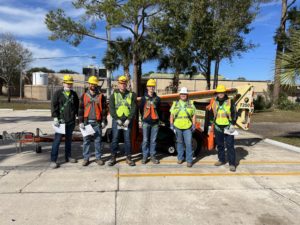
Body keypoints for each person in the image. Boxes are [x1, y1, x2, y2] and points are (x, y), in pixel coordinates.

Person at [50, 74, 79, 169]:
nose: (69, 85)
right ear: (63, 83)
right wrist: (55, 117)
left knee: (68, 141)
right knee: (57, 141)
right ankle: (53, 160)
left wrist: (78, 117)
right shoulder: (57, 93)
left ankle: (68, 157)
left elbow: (77, 106)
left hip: (71, 121)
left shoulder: (74, 94)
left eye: (70, 83)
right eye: (67, 83)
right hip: (60, 122)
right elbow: (54, 106)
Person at [78, 76, 107, 166]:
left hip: (97, 122)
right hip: (87, 122)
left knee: (98, 141)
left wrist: (104, 121)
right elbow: (80, 109)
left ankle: (98, 158)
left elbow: (104, 110)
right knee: (86, 141)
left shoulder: (101, 96)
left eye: (94, 84)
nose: (93, 85)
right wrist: (80, 122)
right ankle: (86, 158)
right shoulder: (84, 96)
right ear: (89, 84)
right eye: (91, 83)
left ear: (96, 85)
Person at [108, 75, 137, 166]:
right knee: (115, 139)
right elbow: (111, 108)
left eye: (124, 83)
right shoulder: (114, 95)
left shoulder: (131, 95)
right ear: (118, 84)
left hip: (127, 121)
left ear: (126, 84)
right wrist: (116, 119)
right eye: (121, 83)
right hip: (117, 121)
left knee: (127, 139)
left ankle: (128, 158)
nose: (123, 85)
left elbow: (133, 107)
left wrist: (129, 119)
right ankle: (113, 157)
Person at [208, 84, 237, 172]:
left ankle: (232, 164)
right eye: (219, 92)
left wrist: (233, 123)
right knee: (220, 145)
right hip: (218, 127)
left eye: (222, 92)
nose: (220, 94)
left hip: (228, 126)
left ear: (225, 93)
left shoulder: (230, 101)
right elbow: (211, 114)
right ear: (217, 93)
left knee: (230, 146)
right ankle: (221, 160)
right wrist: (211, 125)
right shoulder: (214, 102)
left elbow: (234, 113)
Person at [169, 87, 196, 167]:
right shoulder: (175, 103)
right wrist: (171, 124)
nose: (183, 95)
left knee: (188, 144)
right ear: (180, 95)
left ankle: (189, 160)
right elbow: (172, 114)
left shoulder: (191, 103)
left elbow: (194, 115)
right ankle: (180, 158)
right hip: (177, 126)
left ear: (187, 95)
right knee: (179, 143)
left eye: (185, 94)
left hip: (187, 127)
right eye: (182, 94)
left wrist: (194, 124)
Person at [140, 79, 161, 164]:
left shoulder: (158, 99)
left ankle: (153, 156)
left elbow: (159, 110)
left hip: (155, 123)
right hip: (146, 122)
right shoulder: (143, 98)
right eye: (150, 86)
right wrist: (142, 119)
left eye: (153, 86)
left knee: (153, 141)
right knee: (145, 140)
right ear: (147, 87)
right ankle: (145, 156)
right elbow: (141, 109)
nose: (151, 88)